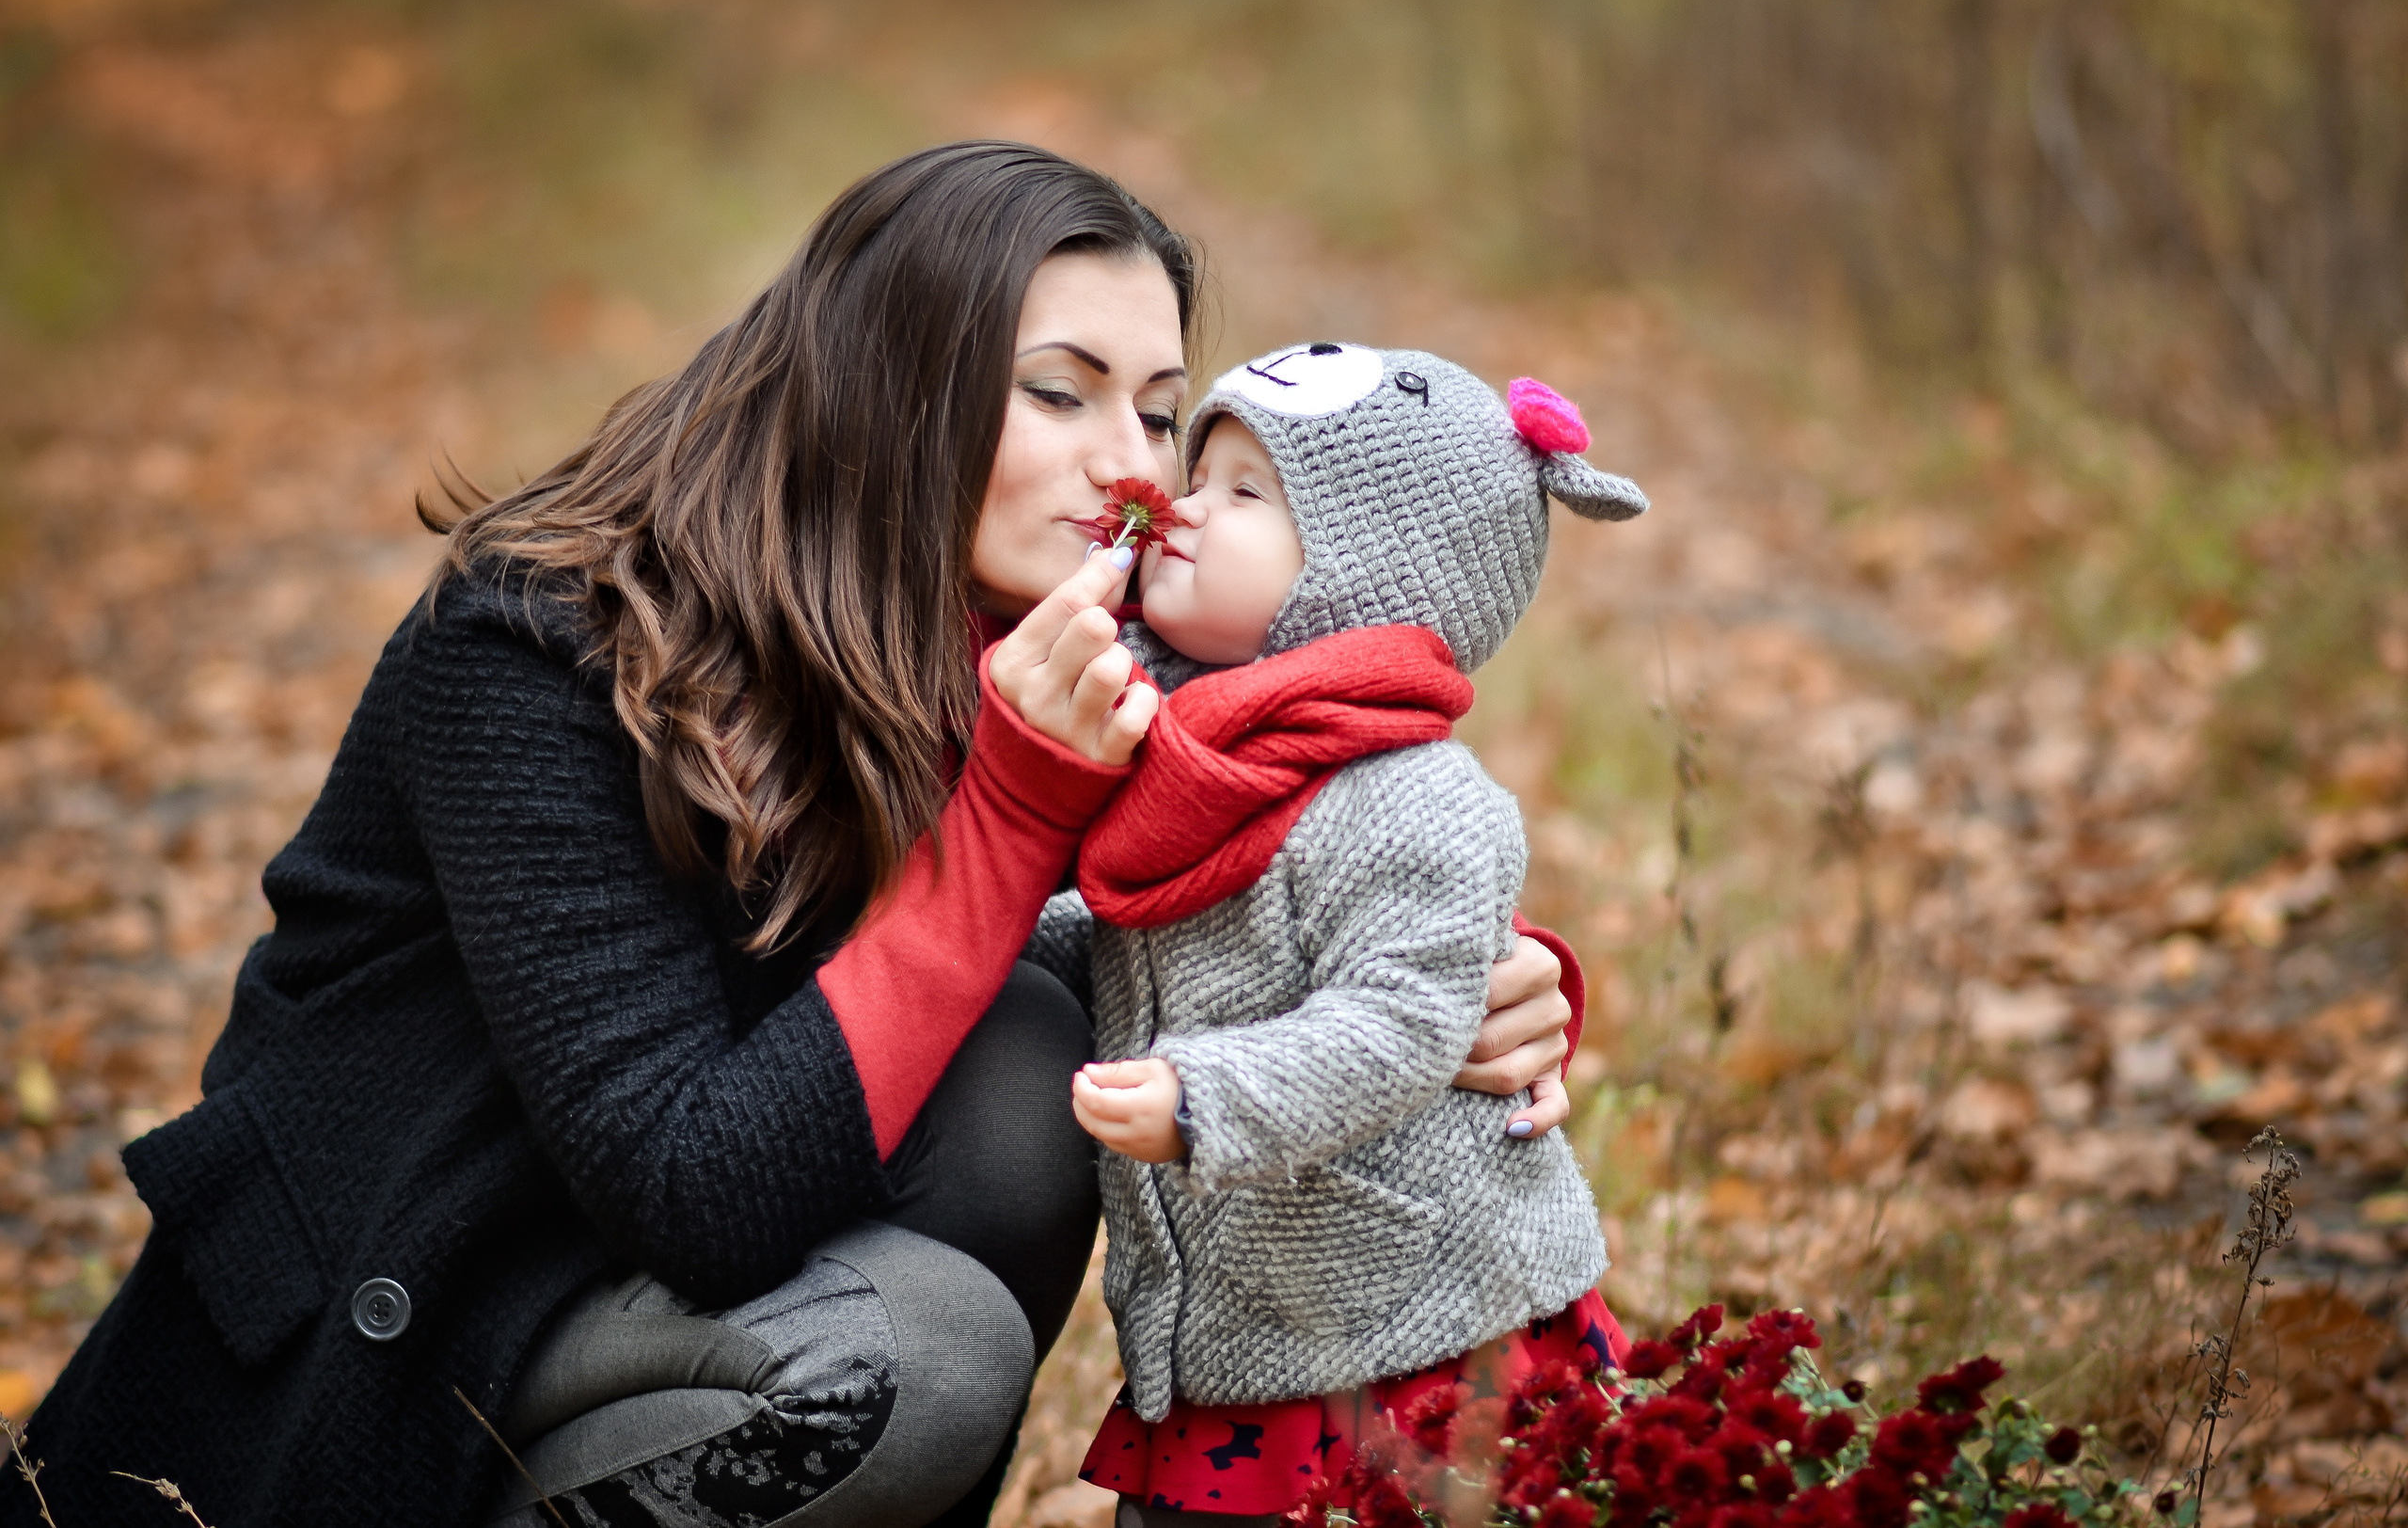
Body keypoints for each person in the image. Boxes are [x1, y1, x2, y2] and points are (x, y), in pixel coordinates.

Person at [4, 144, 1582, 1528]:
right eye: (1062, 390)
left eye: (1166, 412)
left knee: (1029, 1063)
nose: (1135, 470)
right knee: (915, 1355)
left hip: (632, 1303)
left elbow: (1217, 894)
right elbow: (695, 1187)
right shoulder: (536, 648)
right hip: (394, 1351)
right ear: (889, 381)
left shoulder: (1006, 639)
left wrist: (1462, 977)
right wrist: (1016, 807)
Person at [1066, 345, 1647, 1524]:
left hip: (1418, 1321)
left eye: (1246, 492)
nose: (1180, 507)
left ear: (1367, 570)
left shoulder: (1410, 795)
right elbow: (1118, 920)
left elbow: (1404, 1016)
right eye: (1204, 471)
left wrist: (1205, 1094)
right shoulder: (1179, 738)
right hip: (1255, 1308)